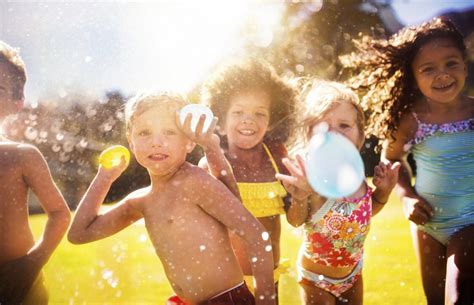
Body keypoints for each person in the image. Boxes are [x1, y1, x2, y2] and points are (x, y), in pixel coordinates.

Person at [67, 92, 277, 305]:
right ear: (131, 142)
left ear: (189, 142)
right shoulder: (141, 201)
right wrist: (104, 178)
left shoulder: (194, 181)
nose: (156, 142)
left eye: (169, 132)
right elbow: (79, 233)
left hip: (228, 300)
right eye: (144, 132)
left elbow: (256, 235)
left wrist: (266, 301)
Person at [343, 18, 474, 305]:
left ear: (465, 64)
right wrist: (407, 197)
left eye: (451, 63)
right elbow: (392, 160)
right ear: (413, 76)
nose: (442, 75)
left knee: (459, 297)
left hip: (470, 224)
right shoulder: (411, 119)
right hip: (426, 224)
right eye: (428, 69)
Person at [276, 80, 400, 305]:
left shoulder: (356, 176)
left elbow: (366, 212)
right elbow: (296, 221)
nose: (334, 134)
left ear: (360, 136)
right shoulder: (311, 177)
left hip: (353, 274)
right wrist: (300, 198)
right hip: (316, 279)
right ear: (308, 135)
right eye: (323, 127)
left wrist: (384, 192)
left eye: (344, 125)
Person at [200, 58, 297, 301]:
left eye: (259, 113)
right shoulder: (211, 164)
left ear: (271, 120)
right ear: (220, 122)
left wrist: (301, 194)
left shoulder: (278, 157)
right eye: (238, 112)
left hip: (269, 276)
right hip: (227, 284)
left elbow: (295, 217)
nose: (248, 120)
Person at [0, 41, 71, 305]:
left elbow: (60, 213)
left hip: (19, 283)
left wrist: (32, 264)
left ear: (17, 102)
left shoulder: (21, 155)